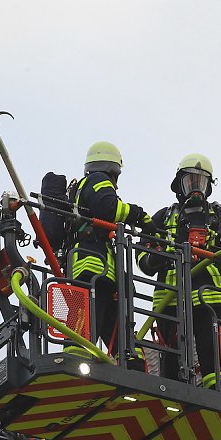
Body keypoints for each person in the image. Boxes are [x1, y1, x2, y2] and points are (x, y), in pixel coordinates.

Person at [137, 153, 221, 390]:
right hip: (171, 300)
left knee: (213, 354)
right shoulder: (164, 217)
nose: (195, 187)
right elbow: (143, 258)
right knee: (170, 361)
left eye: (201, 182)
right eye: (190, 181)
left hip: (213, 297)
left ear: (208, 186)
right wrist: (158, 256)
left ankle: (216, 392)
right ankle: (172, 393)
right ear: (179, 185)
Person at [67, 141, 155, 361]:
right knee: (89, 324)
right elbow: (108, 207)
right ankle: (84, 360)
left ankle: (132, 363)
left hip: (102, 268)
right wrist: (138, 214)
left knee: (116, 330)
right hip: (93, 265)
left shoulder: (85, 185)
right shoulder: (98, 180)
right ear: (113, 170)